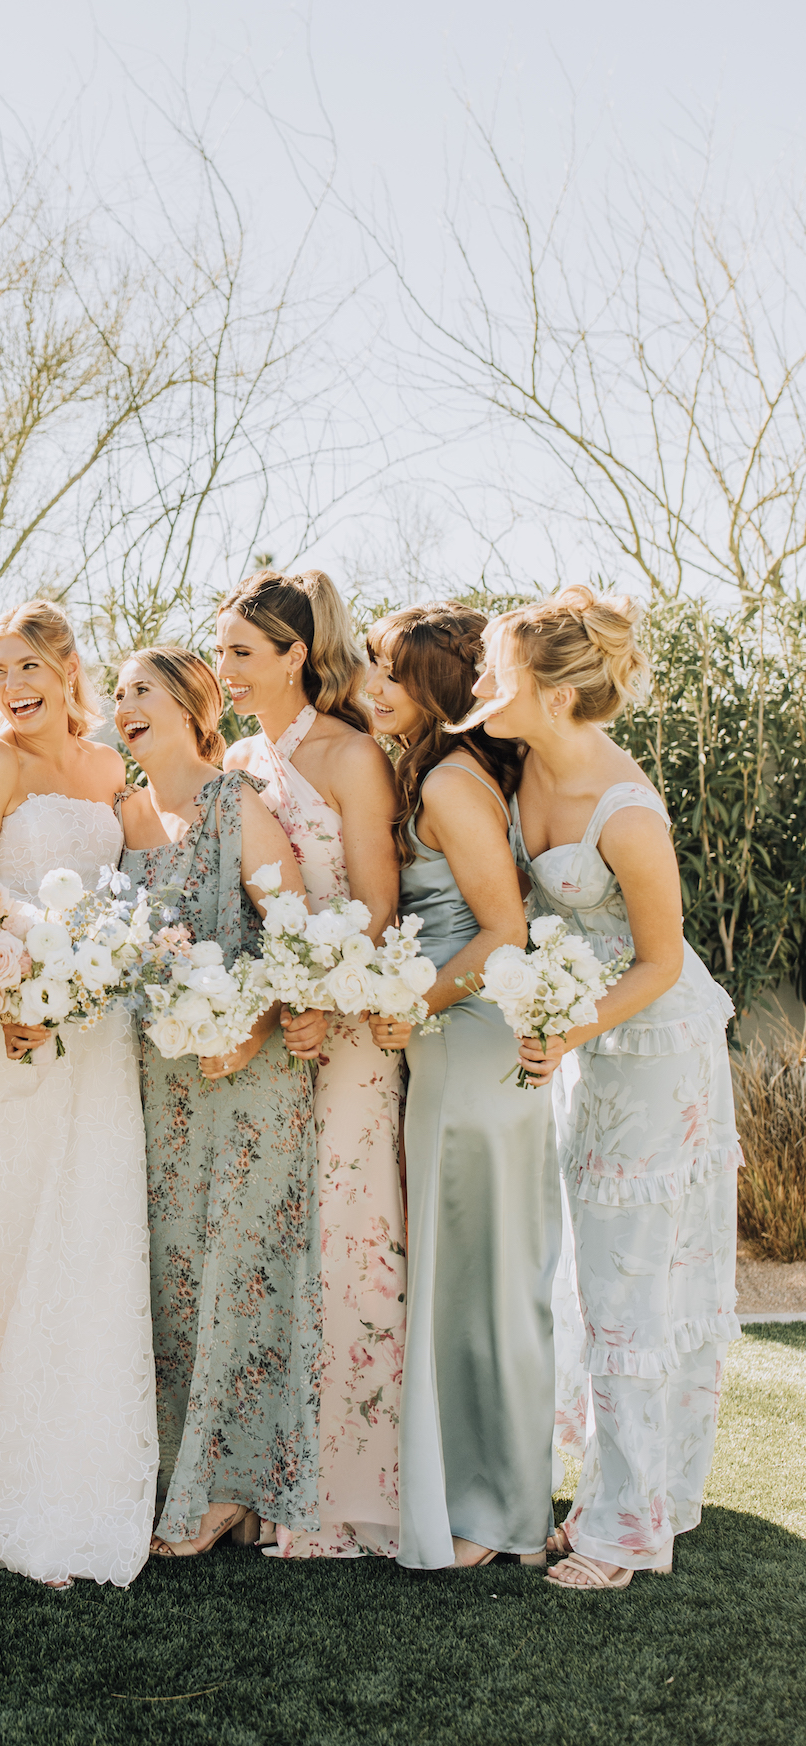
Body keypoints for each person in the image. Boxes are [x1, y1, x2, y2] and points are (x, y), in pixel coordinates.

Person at [473, 585, 739, 1589]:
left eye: (498, 671)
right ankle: (626, 1492)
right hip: (587, 1050)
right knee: (595, 1278)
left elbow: (663, 961)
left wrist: (567, 1026)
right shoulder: (524, 770)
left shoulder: (626, 810)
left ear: (550, 692)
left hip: (656, 1050)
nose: (482, 686)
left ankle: (627, 1533)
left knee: (631, 1283)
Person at [0, 600, 158, 1588]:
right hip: (17, 1034)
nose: (11, 685)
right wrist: (7, 997)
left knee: (95, 1237)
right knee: (18, 1230)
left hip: (100, 1034)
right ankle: (4, 1479)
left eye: (27, 664)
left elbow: (143, 888)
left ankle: (88, 1475)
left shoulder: (111, 768)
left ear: (69, 670)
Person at [116, 645, 328, 1557]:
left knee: (239, 1274)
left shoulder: (235, 804)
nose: (124, 706)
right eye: (118, 693)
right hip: (157, 1089)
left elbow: (296, 935)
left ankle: (230, 1488)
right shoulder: (121, 816)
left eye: (144, 693)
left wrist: (249, 1027)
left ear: (194, 707)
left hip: (248, 1075)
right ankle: (176, 1470)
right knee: (171, 1276)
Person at [365, 604, 558, 1571]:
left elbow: (502, 932)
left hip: (468, 1040)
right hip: (462, 1037)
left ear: (439, 689)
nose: (375, 691)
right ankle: (495, 1493)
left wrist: (416, 1006)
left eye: (393, 677)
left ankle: (499, 1511)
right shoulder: (454, 771)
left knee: (480, 1281)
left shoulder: (447, 778)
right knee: (483, 1275)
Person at [219, 569, 407, 1558]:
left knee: (345, 1242)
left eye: (244, 653)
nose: (228, 669)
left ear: (297, 655)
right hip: (263, 1039)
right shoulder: (237, 757)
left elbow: (376, 902)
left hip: (343, 1039)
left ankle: (344, 1484)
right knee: (268, 1248)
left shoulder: (351, 756)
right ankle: (260, 1474)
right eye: (225, 652)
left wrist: (322, 996)